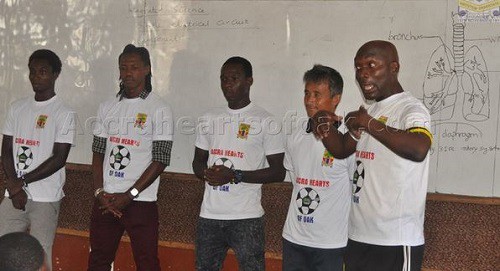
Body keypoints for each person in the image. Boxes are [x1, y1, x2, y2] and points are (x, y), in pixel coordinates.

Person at [310, 40, 432, 271]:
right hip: (358, 235)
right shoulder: (373, 111)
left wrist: (368, 123)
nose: (363, 74)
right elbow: (342, 149)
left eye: (371, 65)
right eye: (358, 67)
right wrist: (323, 123)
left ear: (394, 67)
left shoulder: (411, 109)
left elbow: (419, 148)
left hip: (395, 239)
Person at [192, 56, 285, 271]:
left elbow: (278, 172)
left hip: (247, 218)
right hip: (209, 216)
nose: (227, 84)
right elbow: (197, 162)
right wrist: (207, 174)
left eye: (234, 78)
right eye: (223, 79)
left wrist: (235, 175)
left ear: (249, 81)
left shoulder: (265, 121)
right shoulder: (209, 118)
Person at [87, 44, 173, 271]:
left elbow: (161, 159)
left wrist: (130, 195)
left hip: (140, 202)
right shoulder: (107, 107)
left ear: (147, 69)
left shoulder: (159, 108)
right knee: (98, 261)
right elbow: (98, 152)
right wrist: (99, 192)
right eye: (123, 67)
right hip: (106, 199)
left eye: (134, 67)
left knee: (147, 264)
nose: (128, 73)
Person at [0, 49, 75, 271]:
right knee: (4, 251)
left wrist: (20, 183)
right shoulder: (17, 107)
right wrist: (14, 187)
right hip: (13, 195)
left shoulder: (64, 112)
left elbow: (59, 158)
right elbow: (6, 151)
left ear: (55, 74)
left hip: (45, 196)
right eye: (32, 72)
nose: (36, 77)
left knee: (41, 255)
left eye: (43, 71)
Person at [281, 65, 355, 271]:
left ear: (336, 98)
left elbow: (355, 189)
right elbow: (295, 179)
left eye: (317, 94)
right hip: (294, 238)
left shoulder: (348, 140)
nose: (309, 100)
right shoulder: (295, 136)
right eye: (306, 93)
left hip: (331, 243)